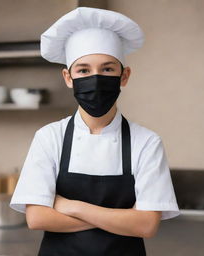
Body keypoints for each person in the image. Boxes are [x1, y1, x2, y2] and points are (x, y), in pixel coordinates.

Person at [10, 7, 180, 256]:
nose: (96, 78)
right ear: (68, 77)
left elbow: (146, 225)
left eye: (108, 69)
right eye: (84, 70)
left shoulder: (146, 142)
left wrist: (72, 207)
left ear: (124, 76)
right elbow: (37, 218)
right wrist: (124, 219)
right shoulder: (49, 137)